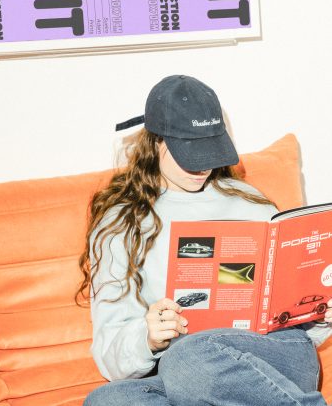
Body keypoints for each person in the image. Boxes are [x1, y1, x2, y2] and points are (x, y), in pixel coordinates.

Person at [77, 75, 332, 406]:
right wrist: (147, 338)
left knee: (187, 360)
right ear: (155, 142)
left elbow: (298, 319)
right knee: (107, 400)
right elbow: (109, 355)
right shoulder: (121, 223)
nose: (203, 168)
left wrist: (319, 312)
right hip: (184, 371)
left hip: (275, 355)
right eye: (190, 154)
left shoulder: (250, 202)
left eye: (211, 152)